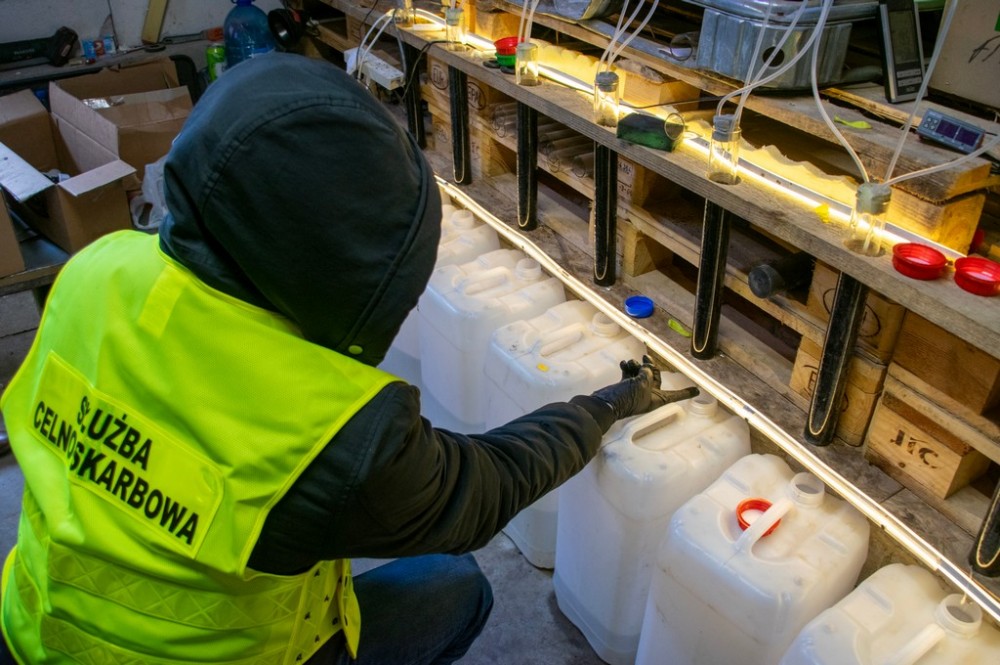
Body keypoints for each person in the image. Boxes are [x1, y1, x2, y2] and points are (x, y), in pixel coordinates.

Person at [0, 52, 692, 664]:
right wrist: (605, 407)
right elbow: (488, 487)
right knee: (456, 587)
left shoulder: (96, 270)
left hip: (31, 628)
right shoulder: (331, 430)